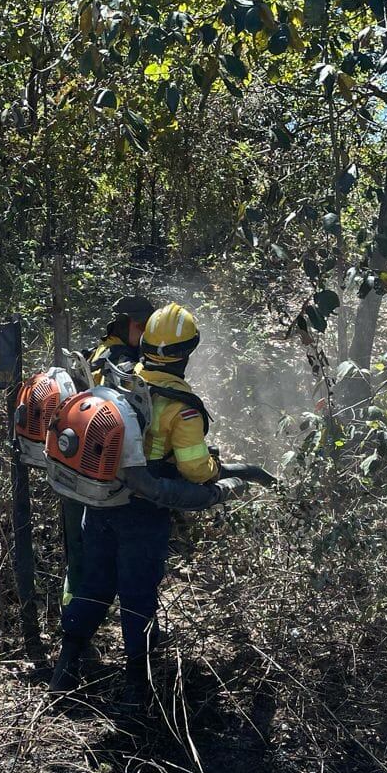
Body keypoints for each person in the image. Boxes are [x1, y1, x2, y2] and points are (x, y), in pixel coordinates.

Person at [50, 302, 247, 709]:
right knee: (138, 596)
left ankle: (64, 674)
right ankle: (136, 690)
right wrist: (217, 470)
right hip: (143, 512)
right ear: (188, 351)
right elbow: (195, 470)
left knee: (94, 586)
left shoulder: (120, 375)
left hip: (101, 500)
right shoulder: (182, 405)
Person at [60, 295, 156, 606]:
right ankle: (76, 624)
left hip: (72, 459)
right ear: (133, 325)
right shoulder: (124, 363)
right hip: (96, 470)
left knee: (76, 547)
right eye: (144, 329)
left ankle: (73, 620)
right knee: (91, 556)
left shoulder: (97, 351)